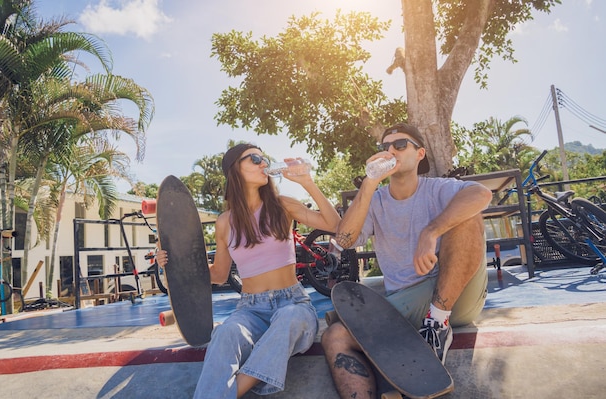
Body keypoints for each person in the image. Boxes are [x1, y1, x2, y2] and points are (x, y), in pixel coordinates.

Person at [321, 123, 492, 398]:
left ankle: (437, 326)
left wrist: (431, 231)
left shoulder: (438, 188)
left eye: (400, 145)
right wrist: (370, 181)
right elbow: (345, 241)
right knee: (334, 336)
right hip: (406, 304)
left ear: (420, 153)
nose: (390, 150)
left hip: (457, 294)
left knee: (468, 212)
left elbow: (481, 194)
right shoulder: (375, 200)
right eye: (384, 146)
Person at [157, 143, 340, 398]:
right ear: (235, 170)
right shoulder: (225, 222)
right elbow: (219, 275)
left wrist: (307, 182)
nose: (263, 163)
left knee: (289, 317)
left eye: (264, 159)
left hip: (293, 303)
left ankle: (232, 391)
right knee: (225, 332)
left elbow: (334, 225)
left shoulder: (282, 206)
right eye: (255, 159)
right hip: (250, 310)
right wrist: (174, 262)